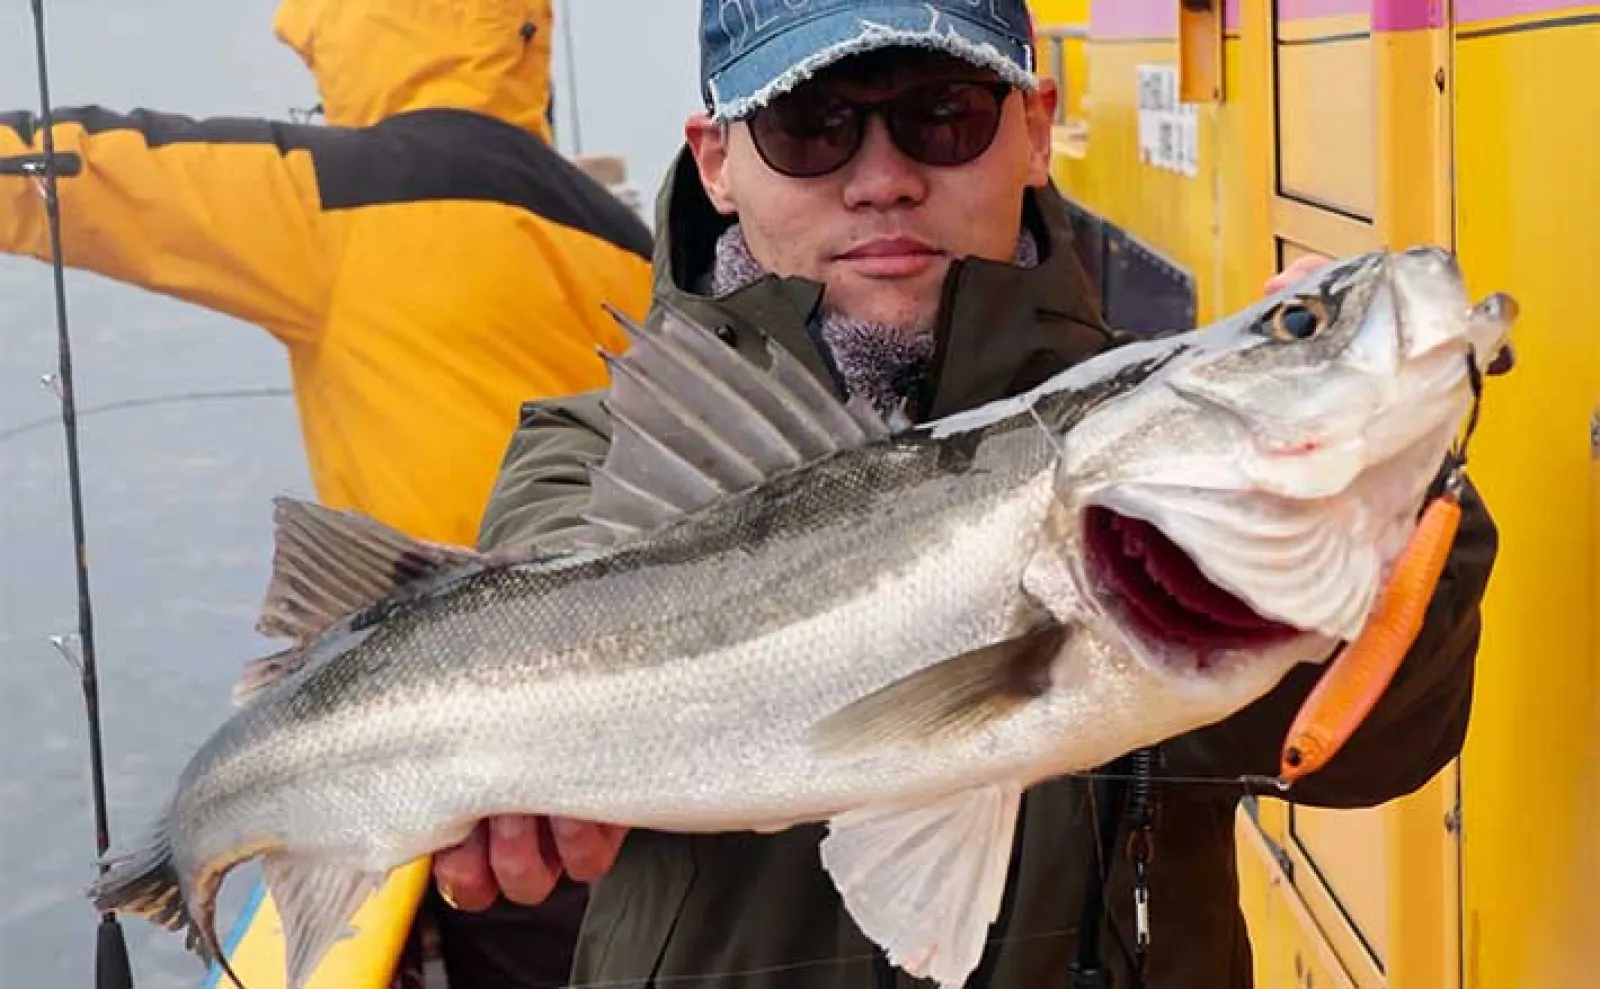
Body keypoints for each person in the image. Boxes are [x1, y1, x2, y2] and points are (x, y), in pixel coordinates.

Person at [431, 2, 1498, 987]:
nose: (882, 178)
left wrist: (1395, 513)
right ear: (716, 160)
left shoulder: (1162, 443)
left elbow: (1359, 756)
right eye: (811, 126)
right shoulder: (594, 447)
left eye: (942, 117)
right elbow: (538, 578)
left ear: (1034, 128)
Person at [0, 0, 654, 549]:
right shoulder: (634, 245)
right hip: (610, 644)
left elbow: (87, 174)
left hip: (431, 660)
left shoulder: (335, 197)